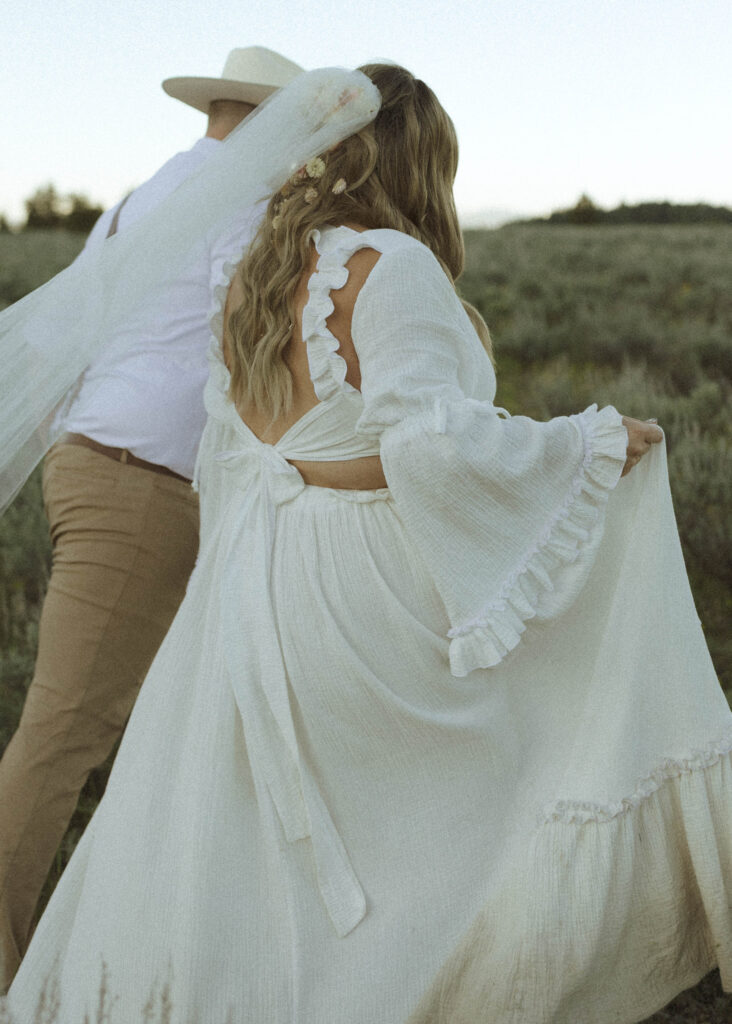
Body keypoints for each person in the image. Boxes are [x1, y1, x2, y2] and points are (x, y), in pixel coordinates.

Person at [6, 63, 732, 1024]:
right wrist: (579, 444)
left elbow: (249, 456)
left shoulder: (257, 272)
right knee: (517, 747)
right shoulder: (389, 266)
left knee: (266, 831)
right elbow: (425, 444)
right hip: (348, 586)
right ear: (422, 161)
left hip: (254, 583)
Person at [0, 45, 303, 993]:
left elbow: (81, 327)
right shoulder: (242, 200)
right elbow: (235, 332)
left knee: (152, 726)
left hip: (94, 456)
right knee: (65, 731)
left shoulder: (143, 195)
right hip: (143, 481)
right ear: (267, 119)